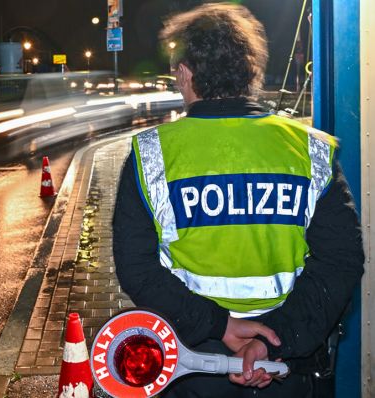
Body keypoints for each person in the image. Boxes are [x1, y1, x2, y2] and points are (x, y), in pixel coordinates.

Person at [112, 3, 363, 397]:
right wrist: (273, 339)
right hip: (286, 366)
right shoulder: (310, 150)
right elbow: (341, 262)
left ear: (185, 72)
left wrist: (220, 327)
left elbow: (137, 268)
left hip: (190, 364)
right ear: (251, 74)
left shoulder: (152, 153)